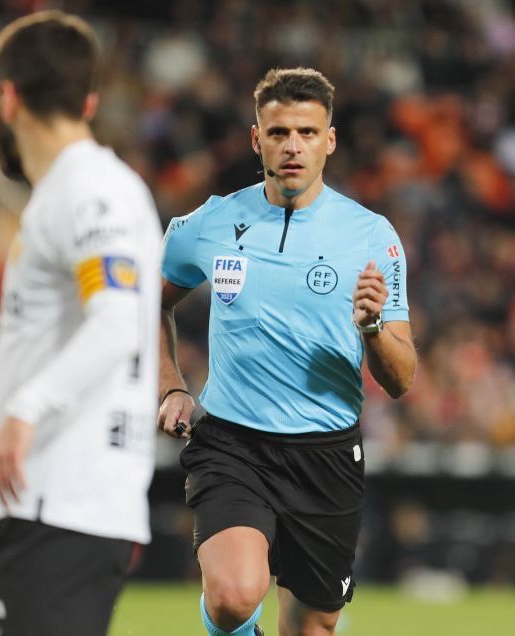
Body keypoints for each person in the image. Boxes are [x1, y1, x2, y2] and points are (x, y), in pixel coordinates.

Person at [158, 68, 417, 636]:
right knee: (233, 597)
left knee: (312, 627)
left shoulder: (372, 236)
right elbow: (149, 303)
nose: (293, 145)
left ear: (330, 139)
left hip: (325, 455)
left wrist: (372, 329)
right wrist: (171, 384)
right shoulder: (213, 222)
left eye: (306, 131)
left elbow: (401, 379)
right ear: (257, 140)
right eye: (278, 133)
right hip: (232, 443)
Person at [0, 11, 162, 636]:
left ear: (6, 96)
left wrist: (26, 410)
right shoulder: (74, 190)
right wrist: (8, 413)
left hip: (64, 505)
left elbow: (115, 323)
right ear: (86, 98)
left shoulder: (90, 191)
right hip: (50, 503)